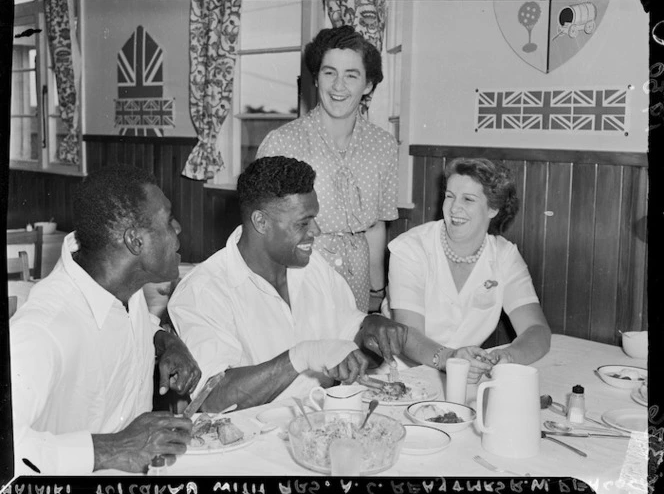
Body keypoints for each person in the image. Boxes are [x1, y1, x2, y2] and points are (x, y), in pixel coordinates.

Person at [168, 156, 433, 412]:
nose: (315, 231)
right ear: (261, 222)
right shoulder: (204, 289)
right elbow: (213, 399)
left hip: (324, 422)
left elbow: (351, 334)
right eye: (303, 223)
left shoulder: (312, 267)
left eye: (314, 218)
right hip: (251, 443)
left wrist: (371, 328)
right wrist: (301, 356)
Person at [10, 165, 201, 475]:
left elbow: (125, 329)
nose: (178, 228)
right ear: (135, 241)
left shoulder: (123, 287)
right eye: (167, 220)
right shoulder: (42, 330)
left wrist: (166, 342)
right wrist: (113, 448)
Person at [257, 25, 398, 313]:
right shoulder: (282, 142)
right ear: (316, 78)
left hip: (357, 282)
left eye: (351, 75)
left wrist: (377, 290)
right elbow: (260, 229)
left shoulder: (383, 145)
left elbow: (375, 227)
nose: (338, 86)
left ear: (368, 85)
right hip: (299, 276)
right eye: (329, 72)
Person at [386, 158, 552, 383]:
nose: (455, 208)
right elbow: (407, 334)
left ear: (493, 208)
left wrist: (509, 356)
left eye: (468, 199)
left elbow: (537, 330)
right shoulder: (410, 248)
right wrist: (449, 358)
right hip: (401, 374)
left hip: (466, 377)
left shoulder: (504, 256)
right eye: (450, 196)